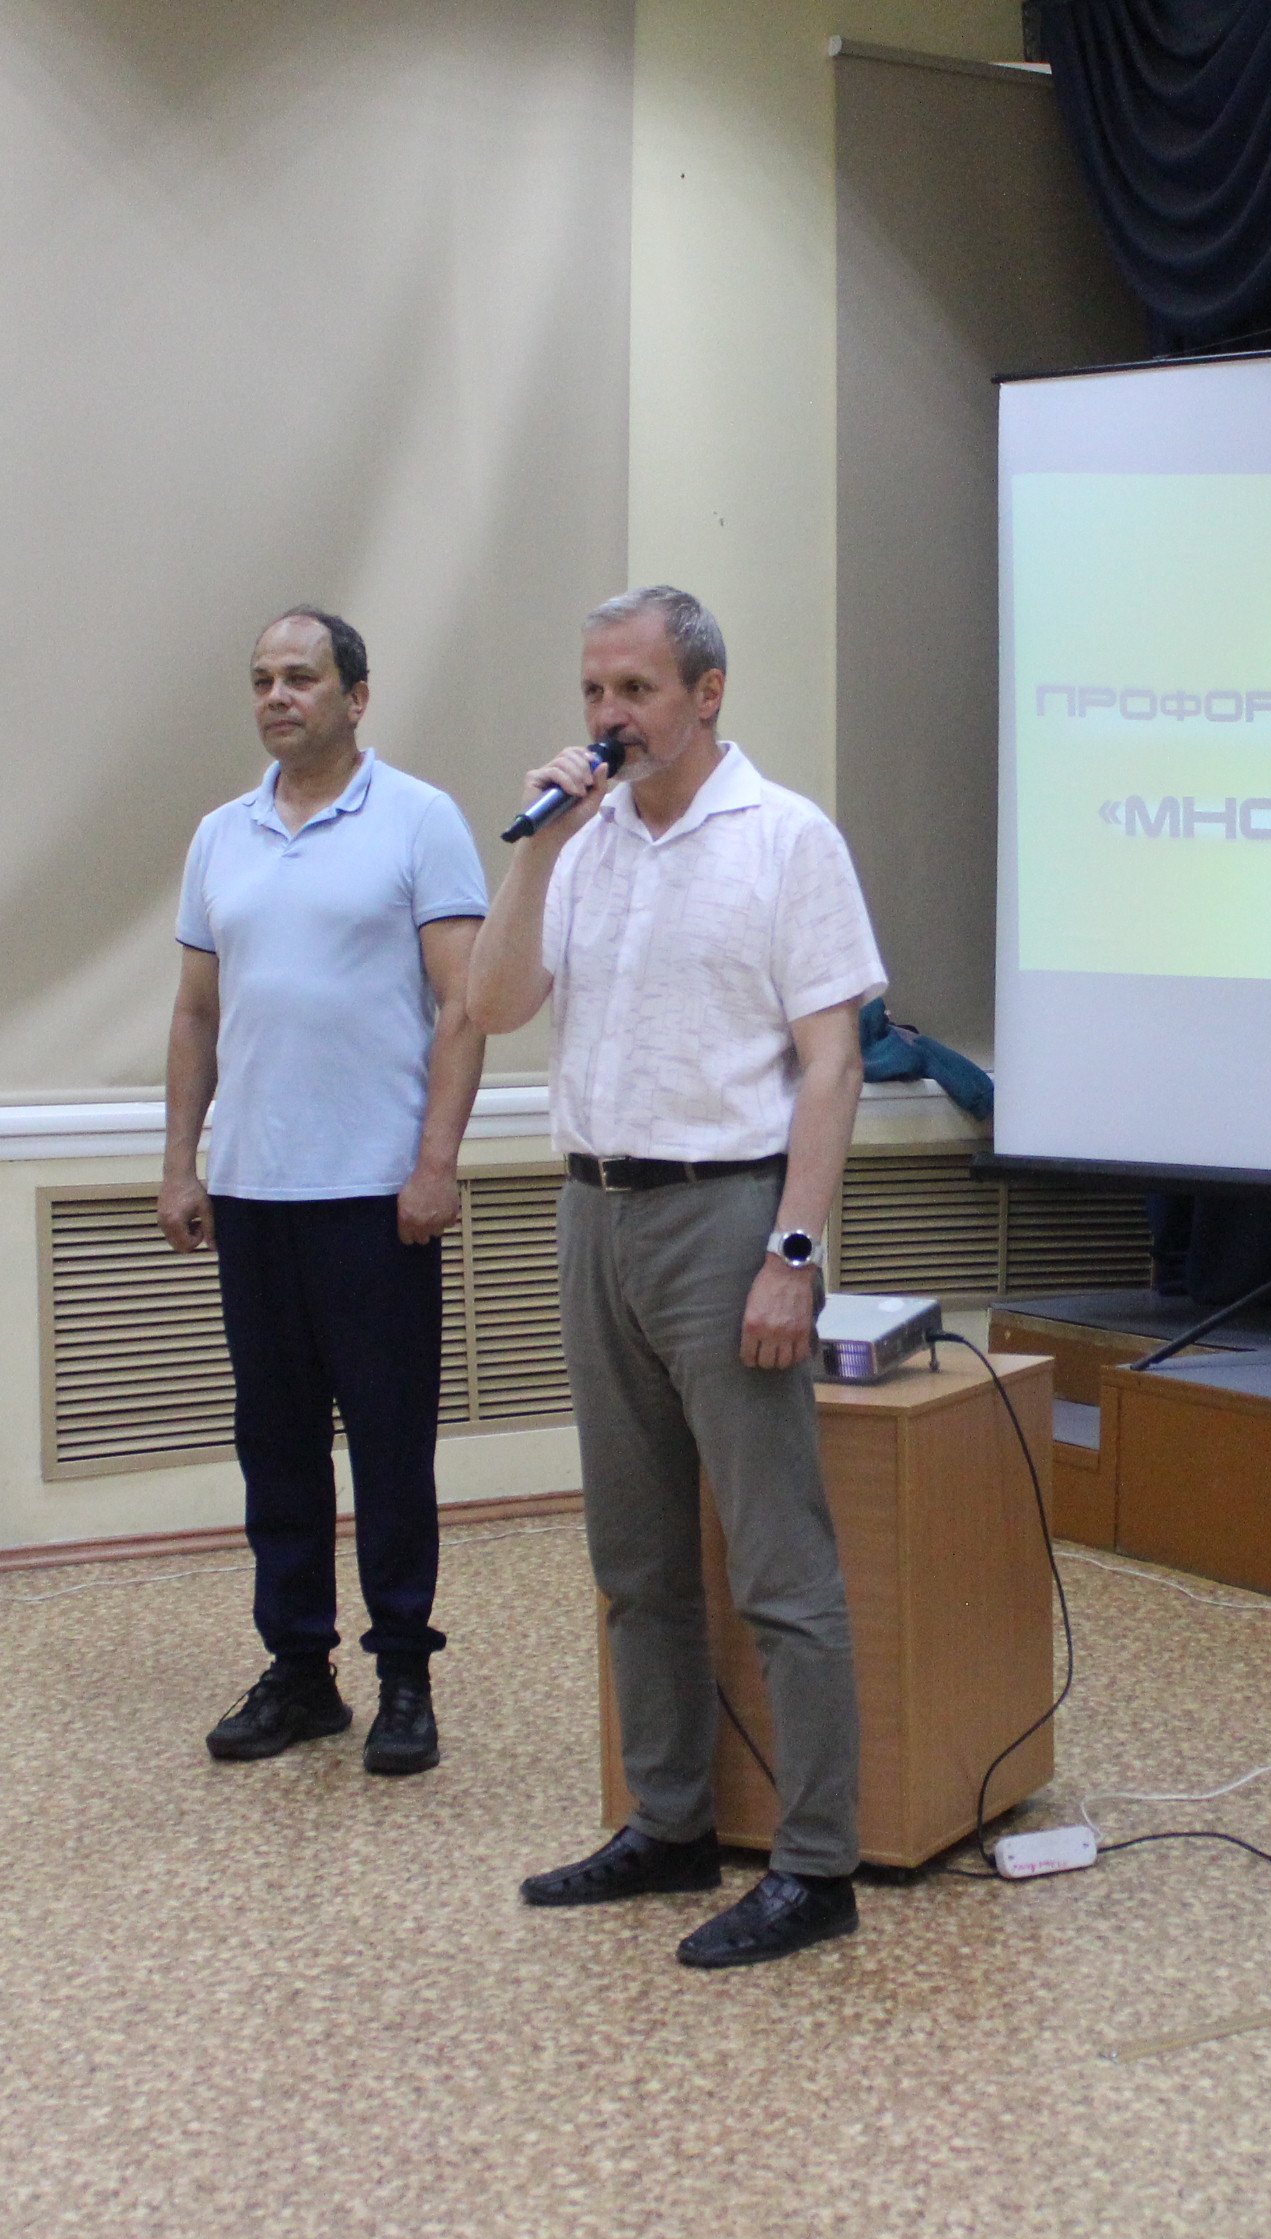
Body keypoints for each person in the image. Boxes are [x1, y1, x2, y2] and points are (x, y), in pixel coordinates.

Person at [469, 585, 885, 1969]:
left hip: (728, 1215)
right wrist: (540, 848)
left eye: (635, 691)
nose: (609, 716)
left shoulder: (785, 838)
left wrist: (793, 1256)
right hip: (595, 1209)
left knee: (776, 1560)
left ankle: (816, 1866)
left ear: (707, 695)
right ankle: (669, 1822)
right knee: (636, 1560)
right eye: (595, 691)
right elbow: (492, 1004)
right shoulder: (582, 845)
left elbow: (833, 1065)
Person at [163, 609, 486, 1776]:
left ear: (356, 696)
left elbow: (463, 1007)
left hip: (374, 1193)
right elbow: (196, 1012)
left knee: (390, 1450)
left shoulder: (419, 819)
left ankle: (404, 1675)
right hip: (255, 1190)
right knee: (278, 1449)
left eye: (301, 677)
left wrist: (435, 1163)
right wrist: (180, 1162)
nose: (277, 696)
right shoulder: (222, 835)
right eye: (262, 679)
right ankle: (300, 1671)